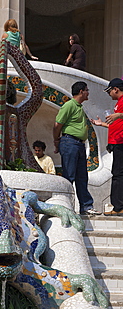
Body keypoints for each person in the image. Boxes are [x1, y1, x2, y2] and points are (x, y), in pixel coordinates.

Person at [53, 81, 101, 216]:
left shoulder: (79, 107)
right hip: (69, 142)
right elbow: (57, 125)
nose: (88, 93)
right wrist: (57, 140)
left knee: (82, 176)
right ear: (81, 92)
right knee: (69, 175)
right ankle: (66, 205)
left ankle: (86, 206)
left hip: (78, 144)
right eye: (87, 90)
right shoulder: (69, 105)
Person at [91, 78, 123, 216]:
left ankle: (118, 206)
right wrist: (102, 124)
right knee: (117, 174)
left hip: (121, 143)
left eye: (110, 91)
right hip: (116, 143)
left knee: (118, 175)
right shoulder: (118, 104)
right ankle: (118, 205)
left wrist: (120, 114)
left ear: (116, 89)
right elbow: (116, 125)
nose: (109, 94)